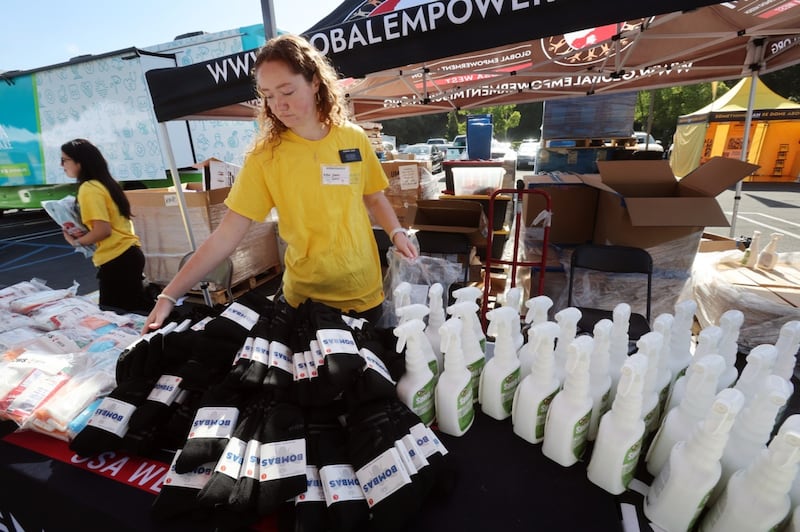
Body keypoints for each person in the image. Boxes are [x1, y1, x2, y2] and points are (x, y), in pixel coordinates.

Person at [143, 34, 417, 332]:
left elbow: (374, 197)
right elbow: (226, 235)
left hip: (364, 293)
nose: (278, 105)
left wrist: (396, 232)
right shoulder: (265, 156)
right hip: (304, 302)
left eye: (286, 91)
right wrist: (170, 293)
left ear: (314, 82)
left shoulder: (352, 138)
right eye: (268, 95)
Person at [60, 138, 153, 313]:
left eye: (64, 160)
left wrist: (76, 242)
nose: (61, 165)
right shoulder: (106, 183)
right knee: (133, 312)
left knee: (116, 317)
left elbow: (102, 230)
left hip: (117, 260)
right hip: (128, 255)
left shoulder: (89, 188)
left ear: (80, 162)